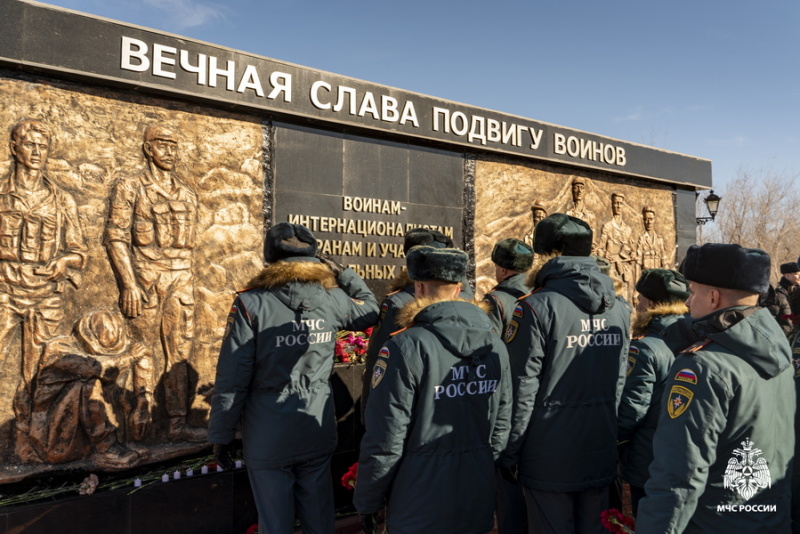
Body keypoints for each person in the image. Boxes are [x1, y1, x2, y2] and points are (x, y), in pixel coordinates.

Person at [208, 222, 378, 534]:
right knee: (319, 516)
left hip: (268, 429)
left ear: (270, 258)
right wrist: (345, 273)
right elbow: (370, 310)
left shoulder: (251, 302)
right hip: (314, 421)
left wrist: (221, 435)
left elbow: (233, 377)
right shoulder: (332, 299)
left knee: (275, 523)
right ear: (315, 258)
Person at [637, 243, 795, 533]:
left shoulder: (702, 366)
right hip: (769, 517)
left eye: (692, 291)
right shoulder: (777, 348)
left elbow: (678, 477)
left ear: (712, 297)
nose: (686, 302)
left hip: (714, 523)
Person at [354, 245, 511, 534]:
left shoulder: (404, 346)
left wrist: (367, 500)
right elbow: (501, 425)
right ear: (458, 288)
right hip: (476, 491)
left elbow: (386, 437)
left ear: (419, 286)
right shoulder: (495, 344)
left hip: (418, 500)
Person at [499, 213, 630, 534]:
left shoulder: (534, 307)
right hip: (599, 445)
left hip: (548, 454)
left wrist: (508, 452)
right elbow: (619, 382)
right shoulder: (620, 308)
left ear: (547, 255)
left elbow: (522, 390)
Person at [104, 125, 205, 442]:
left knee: (180, 353)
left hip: (182, 280)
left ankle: (177, 424)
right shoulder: (130, 187)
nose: (169, 152)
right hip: (146, 278)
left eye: (174, 146)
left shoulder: (188, 193)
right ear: (148, 149)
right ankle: (137, 421)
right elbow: (116, 237)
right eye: (162, 145)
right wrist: (128, 284)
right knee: (141, 352)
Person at [0, 120, 88, 461]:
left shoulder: (62, 200)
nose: (37, 152)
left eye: (42, 146)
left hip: (45, 295)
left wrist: (63, 262)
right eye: (30, 145)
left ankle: (28, 444)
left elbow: (79, 251)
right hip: (5, 289)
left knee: (38, 378)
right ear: (14, 148)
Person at [361, 228, 470, 422]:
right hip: (458, 398)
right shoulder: (467, 296)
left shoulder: (398, 302)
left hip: (415, 405)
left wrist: (368, 412)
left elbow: (378, 361)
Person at [28, 309, 153, 467]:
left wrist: (143, 402)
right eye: (105, 335)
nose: (112, 338)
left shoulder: (122, 348)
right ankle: (105, 448)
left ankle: (124, 440)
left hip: (94, 421)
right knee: (89, 384)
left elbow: (143, 354)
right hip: (60, 434)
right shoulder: (59, 349)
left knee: (120, 377)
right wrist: (131, 357)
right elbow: (94, 368)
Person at [617, 268, 690, 514]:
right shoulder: (695, 336)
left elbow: (632, 411)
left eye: (639, 300)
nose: (636, 305)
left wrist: (614, 440)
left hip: (650, 457)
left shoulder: (644, 349)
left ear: (651, 303)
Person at [482, 238, 532, 534]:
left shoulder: (496, 301)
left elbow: (489, 356)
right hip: (536, 400)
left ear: (501, 269)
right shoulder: (542, 295)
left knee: (507, 485)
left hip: (507, 403)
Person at [598, 193, 634, 302]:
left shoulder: (628, 229)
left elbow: (633, 251)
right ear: (612, 205)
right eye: (616, 203)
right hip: (612, 268)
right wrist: (604, 255)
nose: (618, 206)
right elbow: (600, 247)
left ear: (623, 205)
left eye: (620, 203)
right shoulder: (607, 226)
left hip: (624, 269)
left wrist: (631, 255)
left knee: (625, 297)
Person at [635, 206, 666, 272]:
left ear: (654, 220)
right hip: (646, 278)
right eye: (646, 219)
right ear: (643, 221)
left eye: (651, 219)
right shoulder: (641, 239)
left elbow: (664, 262)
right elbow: (638, 263)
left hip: (658, 277)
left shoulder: (659, 240)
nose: (648, 222)